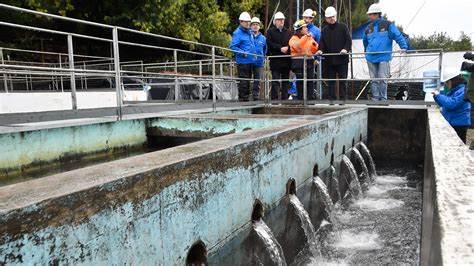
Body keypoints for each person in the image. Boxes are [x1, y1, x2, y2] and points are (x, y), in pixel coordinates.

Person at [363, 3, 408, 101]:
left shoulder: (388, 25)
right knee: (374, 80)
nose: (369, 16)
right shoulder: (368, 28)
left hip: (383, 57)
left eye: (370, 14)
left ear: (376, 14)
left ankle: (383, 99)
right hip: (371, 57)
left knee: (383, 79)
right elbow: (365, 42)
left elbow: (397, 35)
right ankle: (375, 99)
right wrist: (365, 52)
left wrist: (403, 46)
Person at [317, 6, 352, 101]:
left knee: (343, 81)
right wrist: (320, 50)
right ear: (326, 18)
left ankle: (343, 100)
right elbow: (322, 43)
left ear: (336, 16)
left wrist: (345, 49)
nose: (331, 18)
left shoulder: (343, 27)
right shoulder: (324, 30)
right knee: (331, 81)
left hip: (342, 60)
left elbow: (348, 40)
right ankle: (331, 100)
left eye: (333, 16)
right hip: (330, 61)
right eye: (329, 17)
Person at [433, 67, 471, 143]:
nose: (446, 85)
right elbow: (444, 104)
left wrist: (439, 96)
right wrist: (436, 96)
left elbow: (451, 104)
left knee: (458, 147)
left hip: (459, 125)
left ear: (453, 81)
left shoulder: (463, 91)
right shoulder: (454, 91)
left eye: (447, 82)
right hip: (453, 122)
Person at [230, 12, 257, 101]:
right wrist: (243, 52)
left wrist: (254, 54)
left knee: (248, 80)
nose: (248, 23)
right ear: (241, 22)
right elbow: (233, 47)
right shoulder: (237, 33)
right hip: (242, 61)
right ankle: (243, 99)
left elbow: (251, 44)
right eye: (246, 22)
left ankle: (245, 98)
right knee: (243, 81)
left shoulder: (249, 32)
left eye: (249, 21)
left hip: (250, 61)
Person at [289, 20, 318, 100]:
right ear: (299, 29)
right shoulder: (293, 39)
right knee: (300, 82)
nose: (307, 29)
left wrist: (314, 45)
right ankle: (301, 99)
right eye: (304, 27)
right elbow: (298, 46)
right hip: (298, 63)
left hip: (309, 62)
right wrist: (306, 37)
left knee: (310, 81)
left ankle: (310, 99)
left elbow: (315, 48)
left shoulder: (308, 38)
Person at [266, 12, 292, 100]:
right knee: (275, 81)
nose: (281, 21)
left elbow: (292, 44)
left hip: (286, 61)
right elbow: (269, 43)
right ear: (275, 21)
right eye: (279, 20)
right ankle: (274, 100)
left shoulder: (288, 32)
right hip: (275, 61)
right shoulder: (270, 32)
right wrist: (280, 48)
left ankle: (285, 100)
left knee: (285, 82)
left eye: (282, 20)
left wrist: (287, 48)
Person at [303, 8, 321, 99]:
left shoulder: (316, 30)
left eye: (308, 18)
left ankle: (310, 98)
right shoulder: (300, 28)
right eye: (305, 18)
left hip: (312, 58)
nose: (306, 20)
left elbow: (319, 45)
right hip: (301, 58)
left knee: (311, 79)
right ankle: (301, 97)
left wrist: (317, 59)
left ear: (312, 19)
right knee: (300, 79)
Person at [250, 17, 266, 101]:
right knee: (246, 79)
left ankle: (255, 96)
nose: (255, 26)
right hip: (248, 61)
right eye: (253, 24)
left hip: (259, 62)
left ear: (259, 26)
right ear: (250, 26)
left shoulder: (263, 38)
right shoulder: (248, 36)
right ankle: (245, 96)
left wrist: (262, 57)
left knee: (257, 80)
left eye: (257, 24)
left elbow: (265, 49)